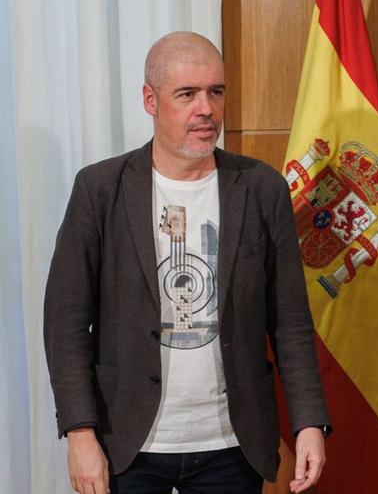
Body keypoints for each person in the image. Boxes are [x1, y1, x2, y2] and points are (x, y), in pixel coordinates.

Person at [43, 32, 330, 494]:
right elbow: (66, 324)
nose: (206, 109)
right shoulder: (99, 190)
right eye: (187, 93)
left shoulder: (262, 189)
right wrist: (80, 432)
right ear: (150, 100)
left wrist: (309, 421)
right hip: (126, 441)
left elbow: (291, 320)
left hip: (232, 444)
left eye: (216, 92)